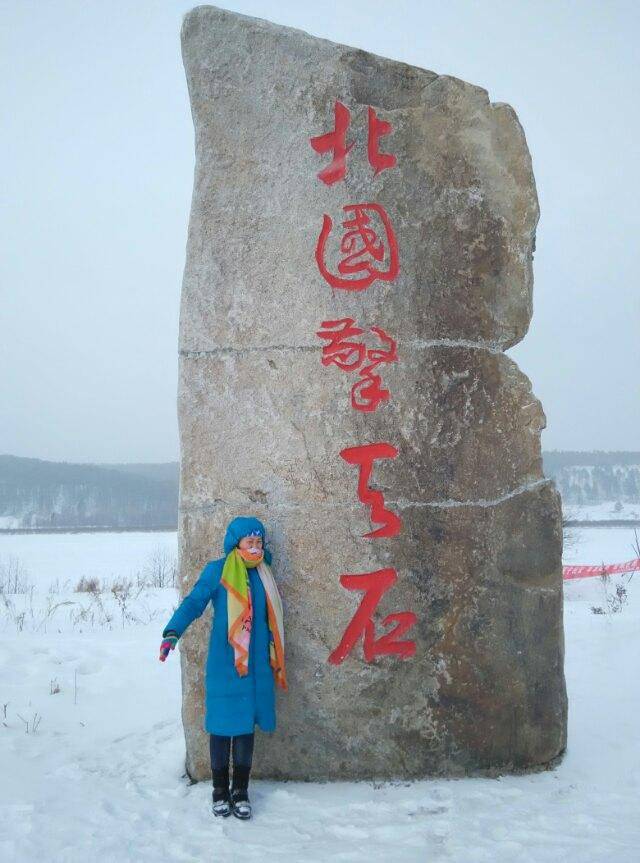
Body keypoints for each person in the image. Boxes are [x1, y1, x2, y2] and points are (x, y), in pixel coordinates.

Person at [159, 515, 287, 820]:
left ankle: (240, 790)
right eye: (249, 541)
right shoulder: (218, 571)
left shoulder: (264, 573)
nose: (255, 547)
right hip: (226, 662)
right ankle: (219, 790)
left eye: (259, 542)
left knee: (245, 729)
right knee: (221, 727)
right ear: (235, 543)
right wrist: (172, 632)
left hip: (256, 665)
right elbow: (194, 603)